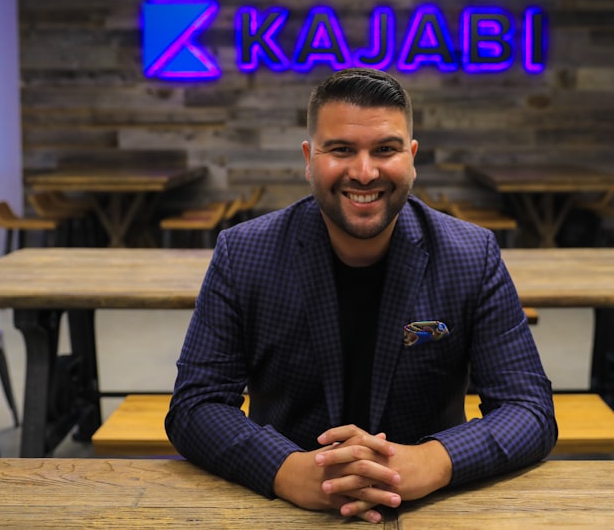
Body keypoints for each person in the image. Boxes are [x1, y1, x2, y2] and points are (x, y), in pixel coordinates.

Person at [166, 67, 556, 523]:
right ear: (309, 158)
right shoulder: (244, 252)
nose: (365, 172)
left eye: (385, 150)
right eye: (342, 150)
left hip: (435, 508)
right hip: (282, 511)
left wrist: (432, 461)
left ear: (411, 157)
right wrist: (287, 469)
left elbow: (529, 409)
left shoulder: (471, 253)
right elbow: (196, 404)